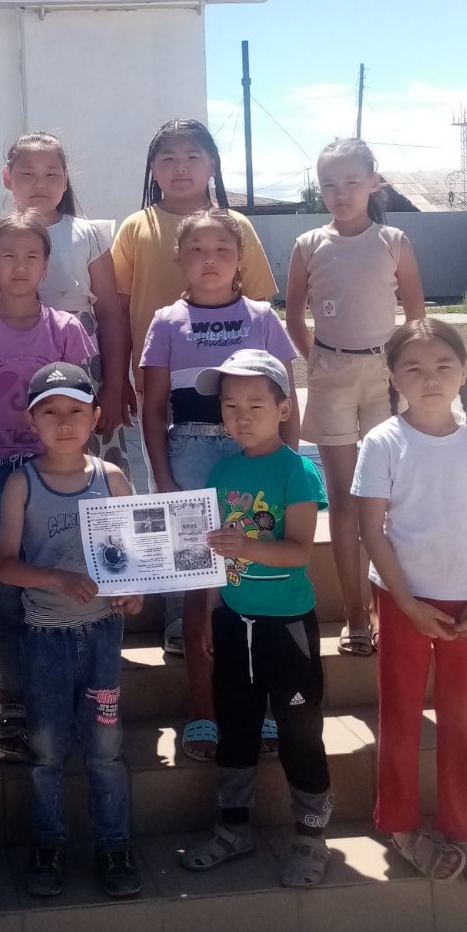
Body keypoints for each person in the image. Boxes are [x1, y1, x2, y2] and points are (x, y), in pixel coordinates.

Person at [354, 319, 467, 888]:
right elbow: (372, 530)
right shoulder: (383, 441)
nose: (430, 379)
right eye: (415, 369)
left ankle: (464, 827)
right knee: (400, 718)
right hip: (404, 601)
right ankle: (400, 826)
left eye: (444, 366)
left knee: (462, 720)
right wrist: (406, 603)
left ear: (464, 372)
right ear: (393, 377)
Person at [139, 210, 299, 762]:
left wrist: (288, 467)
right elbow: (153, 408)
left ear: (240, 258)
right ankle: (203, 712)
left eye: (222, 249)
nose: (209, 259)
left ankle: (268, 707)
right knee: (202, 588)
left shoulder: (263, 316)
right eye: (197, 249)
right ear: (179, 259)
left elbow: (287, 400)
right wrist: (164, 480)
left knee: (261, 579)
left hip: (258, 456)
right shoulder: (165, 321)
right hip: (191, 455)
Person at [112, 119, 276, 656]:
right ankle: (180, 620)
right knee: (170, 506)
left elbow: (261, 311)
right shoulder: (135, 227)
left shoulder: (237, 226)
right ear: (152, 170)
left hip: (241, 406)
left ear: (212, 165)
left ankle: (238, 612)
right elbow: (116, 307)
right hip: (160, 395)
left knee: (241, 510)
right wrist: (119, 378)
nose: (180, 167)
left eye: (192, 157)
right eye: (167, 158)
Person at [0, 210, 96, 763]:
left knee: (58, 583)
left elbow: (80, 408)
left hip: (53, 473)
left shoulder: (66, 330)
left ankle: (68, 697)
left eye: (32, 255)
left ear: (46, 266)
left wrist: (86, 471)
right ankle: (14, 706)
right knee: (8, 594)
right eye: (7, 254)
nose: (19, 265)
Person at [179, 351, 333, 888]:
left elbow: (299, 551)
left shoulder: (297, 470)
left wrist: (244, 545)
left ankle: (311, 837)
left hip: (287, 628)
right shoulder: (223, 470)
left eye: (255, 405)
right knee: (237, 729)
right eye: (229, 405)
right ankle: (233, 828)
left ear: (284, 409)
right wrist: (209, 613)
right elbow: (213, 555)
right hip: (233, 621)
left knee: (300, 734)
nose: (241, 416)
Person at [0, 363, 144, 901]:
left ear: (96, 416)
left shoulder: (113, 479)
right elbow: (4, 565)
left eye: (75, 411)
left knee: (105, 746)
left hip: (102, 634)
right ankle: (47, 844)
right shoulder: (22, 482)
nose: (63, 422)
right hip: (44, 638)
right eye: (50, 411)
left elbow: (135, 558)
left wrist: (135, 591)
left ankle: (114, 844)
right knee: (47, 749)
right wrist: (56, 577)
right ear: (31, 420)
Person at [285, 139, 426, 656]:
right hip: (332, 376)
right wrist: (319, 360)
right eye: (329, 184)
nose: (340, 194)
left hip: (385, 377)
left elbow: (417, 319)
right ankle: (354, 612)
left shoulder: (394, 241)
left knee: (388, 497)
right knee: (343, 499)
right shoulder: (307, 244)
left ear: (373, 182)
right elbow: (293, 315)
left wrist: (404, 372)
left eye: (351, 182)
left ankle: (396, 604)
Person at [0, 132, 131, 470]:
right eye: (27, 173)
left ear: (65, 180)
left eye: (52, 174)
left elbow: (110, 314)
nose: (40, 184)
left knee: (82, 473)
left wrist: (113, 386)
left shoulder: (89, 236)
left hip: (81, 370)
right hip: (6, 376)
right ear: (7, 177)